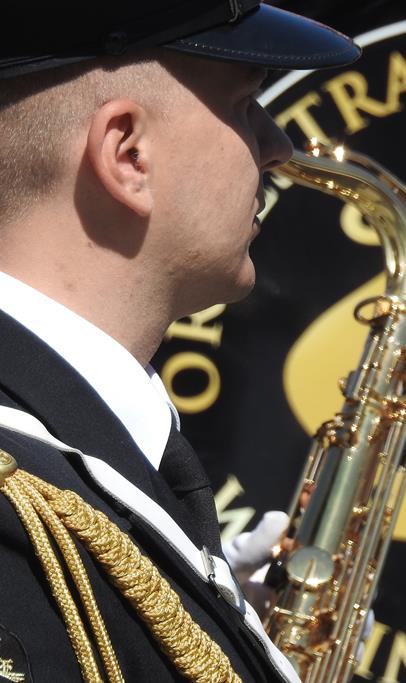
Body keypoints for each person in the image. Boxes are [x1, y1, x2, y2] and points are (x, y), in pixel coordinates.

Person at [0, 2, 359, 681]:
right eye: (245, 105)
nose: (278, 145)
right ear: (129, 154)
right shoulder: (17, 514)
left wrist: (216, 628)